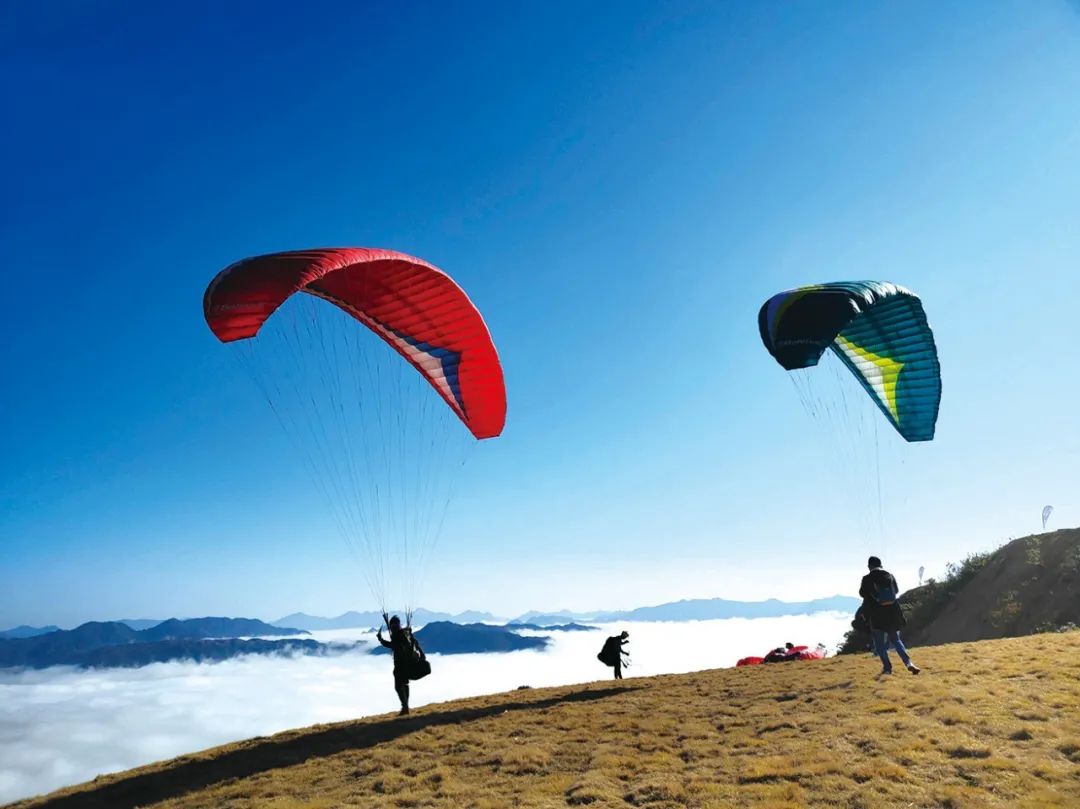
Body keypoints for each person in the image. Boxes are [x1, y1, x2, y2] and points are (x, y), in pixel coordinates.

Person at [859, 556, 920, 676]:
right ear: (880, 565)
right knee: (896, 640)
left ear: (869, 566)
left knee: (879, 643)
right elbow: (896, 591)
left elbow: (862, 593)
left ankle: (887, 668)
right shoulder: (889, 575)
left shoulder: (866, 579)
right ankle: (908, 663)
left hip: (876, 615)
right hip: (891, 613)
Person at [377, 614, 416, 715]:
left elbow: (392, 645)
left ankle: (405, 707)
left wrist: (381, 640)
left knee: (398, 686)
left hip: (401, 665)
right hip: (406, 664)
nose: (392, 628)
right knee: (404, 684)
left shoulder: (399, 635)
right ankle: (405, 707)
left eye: (393, 626)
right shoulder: (403, 634)